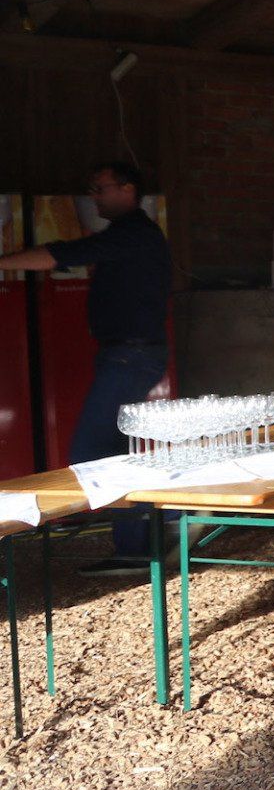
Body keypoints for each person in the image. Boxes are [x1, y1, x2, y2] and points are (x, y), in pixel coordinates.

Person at [0, 161, 172, 573]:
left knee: (92, 452)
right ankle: (147, 539)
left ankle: (171, 524)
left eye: (100, 188)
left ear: (127, 189)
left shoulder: (133, 233)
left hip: (130, 355)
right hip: (129, 353)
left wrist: (3, 261)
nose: (94, 196)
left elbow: (64, 254)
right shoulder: (130, 233)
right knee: (112, 452)